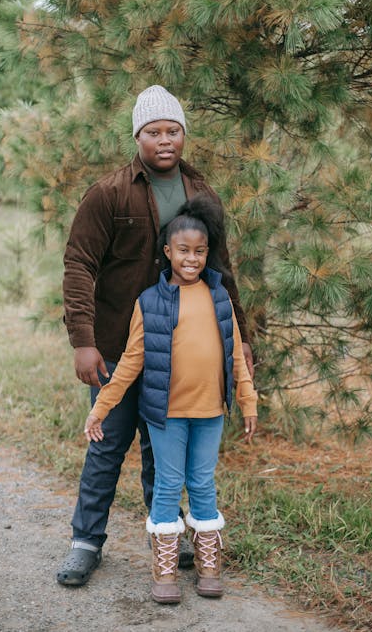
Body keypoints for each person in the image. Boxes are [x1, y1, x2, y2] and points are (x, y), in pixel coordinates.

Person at [57, 85, 254, 586]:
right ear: (137, 136)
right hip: (118, 348)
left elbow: (222, 270)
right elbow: (79, 263)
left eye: (173, 131)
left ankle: (162, 536)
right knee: (107, 446)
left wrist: (242, 338)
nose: (164, 140)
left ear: (183, 135)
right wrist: (83, 339)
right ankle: (85, 543)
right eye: (153, 132)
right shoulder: (110, 193)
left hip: (179, 351)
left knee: (158, 450)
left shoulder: (201, 194)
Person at [84, 196, 258, 604]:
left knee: (202, 483)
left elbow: (236, 357)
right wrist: (101, 407)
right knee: (167, 485)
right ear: (168, 252)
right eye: (184, 251)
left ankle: (208, 565)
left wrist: (247, 402)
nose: (192, 259)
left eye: (200, 251)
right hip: (167, 416)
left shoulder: (219, 298)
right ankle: (164, 570)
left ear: (207, 253)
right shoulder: (150, 302)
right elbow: (130, 362)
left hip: (210, 411)